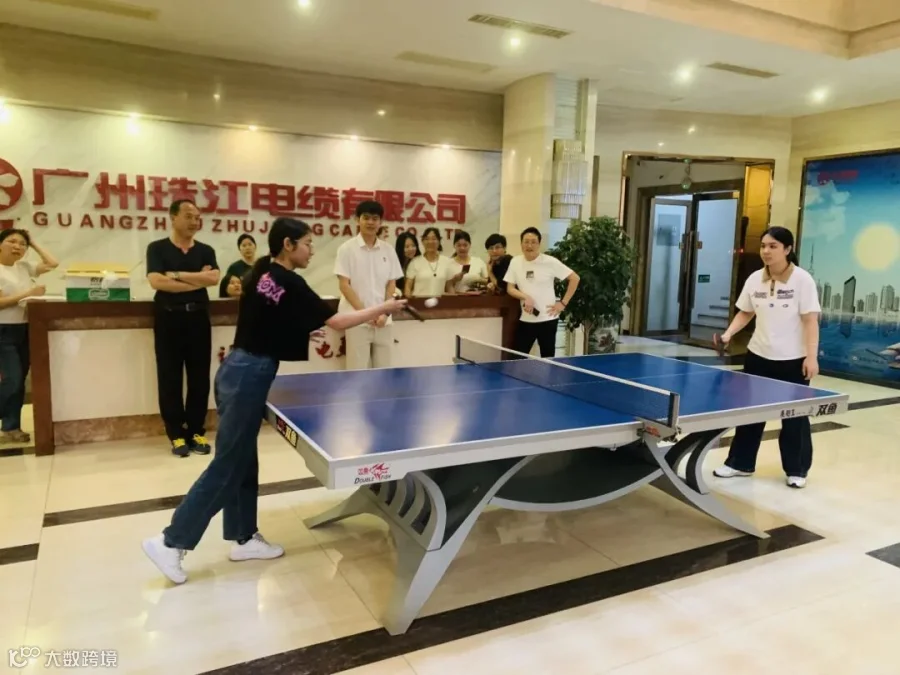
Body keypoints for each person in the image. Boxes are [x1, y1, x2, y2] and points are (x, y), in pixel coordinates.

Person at [142, 217, 407, 584]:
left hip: (238, 369)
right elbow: (338, 322)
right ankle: (171, 542)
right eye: (307, 244)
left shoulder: (263, 271)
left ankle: (243, 537)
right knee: (229, 464)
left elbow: (275, 313)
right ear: (287, 244)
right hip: (248, 374)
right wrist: (383, 308)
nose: (312, 251)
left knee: (243, 458)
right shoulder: (289, 280)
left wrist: (301, 328)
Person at [712, 226, 820, 489]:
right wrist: (728, 334)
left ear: (788, 249)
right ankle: (740, 463)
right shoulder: (754, 279)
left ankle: (797, 469)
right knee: (750, 413)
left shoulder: (802, 280)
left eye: (773, 246)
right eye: (763, 246)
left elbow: (811, 321)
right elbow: (746, 312)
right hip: (758, 356)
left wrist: (811, 357)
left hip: (793, 360)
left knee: (794, 417)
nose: (766, 251)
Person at [146, 199, 220, 457]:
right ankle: (176, 434)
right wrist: (197, 280)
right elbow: (157, 282)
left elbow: (214, 278)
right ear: (173, 217)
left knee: (199, 377)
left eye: (197, 217)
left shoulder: (206, 250)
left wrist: (176, 275)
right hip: (168, 319)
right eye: (188, 216)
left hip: (198, 318)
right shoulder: (157, 248)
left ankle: (197, 431)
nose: (194, 222)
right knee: (170, 377)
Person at [0, 229, 57, 444]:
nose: (17, 246)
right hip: (3, 330)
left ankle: (11, 427)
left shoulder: (23, 267)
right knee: (12, 380)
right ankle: (9, 425)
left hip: (25, 329)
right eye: (12, 241)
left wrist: (33, 242)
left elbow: (53, 263)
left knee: (19, 381)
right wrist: (28, 293)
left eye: (22, 244)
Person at [334, 200, 404, 370]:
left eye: (375, 218)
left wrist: (384, 313)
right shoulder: (346, 249)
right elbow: (344, 285)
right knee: (356, 372)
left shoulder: (388, 250)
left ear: (380, 222)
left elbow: (391, 284)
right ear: (357, 220)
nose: (371, 222)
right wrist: (365, 314)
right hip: (356, 321)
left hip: (383, 322)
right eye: (366, 218)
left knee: (384, 371)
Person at [504, 227, 580, 357]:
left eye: (533, 242)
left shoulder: (550, 262)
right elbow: (510, 288)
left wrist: (563, 303)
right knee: (516, 360)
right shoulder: (515, 262)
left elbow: (575, 278)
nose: (529, 245)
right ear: (521, 244)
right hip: (526, 319)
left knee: (548, 359)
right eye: (526, 242)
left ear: (539, 244)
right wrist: (525, 297)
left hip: (548, 320)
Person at [404, 227, 463, 297]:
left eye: (434, 239)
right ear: (422, 242)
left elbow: (449, 286)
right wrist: (410, 300)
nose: (430, 242)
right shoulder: (415, 262)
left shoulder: (446, 261)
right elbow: (407, 287)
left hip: (439, 302)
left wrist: (454, 300)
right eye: (427, 239)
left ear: (439, 241)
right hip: (419, 302)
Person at [218, 234, 257, 298]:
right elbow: (228, 289)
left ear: (255, 246)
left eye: (250, 244)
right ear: (239, 249)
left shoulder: (261, 265)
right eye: (244, 245)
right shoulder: (234, 267)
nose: (247, 248)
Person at [394, 231, 420, 296]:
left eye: (413, 246)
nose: (411, 249)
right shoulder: (394, 264)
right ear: (400, 248)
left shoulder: (420, 262)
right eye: (407, 247)